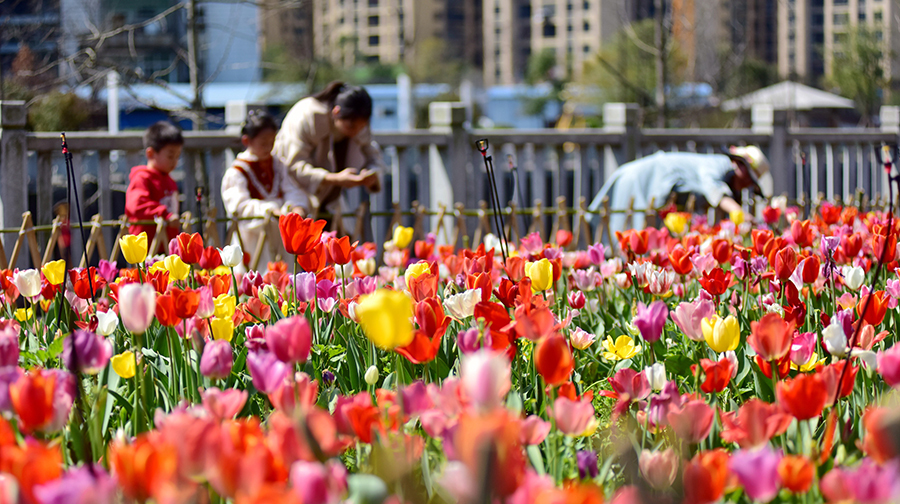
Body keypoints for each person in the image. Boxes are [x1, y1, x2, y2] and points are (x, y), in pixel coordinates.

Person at [273, 81, 384, 232]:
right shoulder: (308, 115)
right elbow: (294, 166)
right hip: (293, 196)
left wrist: (371, 173)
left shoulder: (357, 123)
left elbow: (372, 155)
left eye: (361, 127)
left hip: (332, 201)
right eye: (351, 127)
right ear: (336, 112)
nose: (356, 132)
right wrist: (334, 179)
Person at [588, 145, 772, 235]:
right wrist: (739, 213)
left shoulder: (725, 173)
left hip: (653, 185)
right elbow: (713, 189)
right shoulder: (716, 165)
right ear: (738, 164)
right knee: (620, 226)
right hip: (643, 178)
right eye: (748, 177)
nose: (746, 184)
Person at [221, 111, 308, 269]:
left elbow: (292, 188)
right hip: (253, 237)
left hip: (280, 234)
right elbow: (239, 206)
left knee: (285, 277)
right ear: (247, 140)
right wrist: (270, 210)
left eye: (272, 142)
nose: (268, 147)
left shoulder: (278, 165)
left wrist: (297, 206)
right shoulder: (237, 171)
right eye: (263, 143)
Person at [125, 121, 183, 248]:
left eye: (177, 156)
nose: (175, 161)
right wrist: (165, 215)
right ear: (150, 154)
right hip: (147, 247)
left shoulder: (170, 181)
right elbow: (137, 205)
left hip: (167, 245)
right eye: (170, 156)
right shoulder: (142, 178)